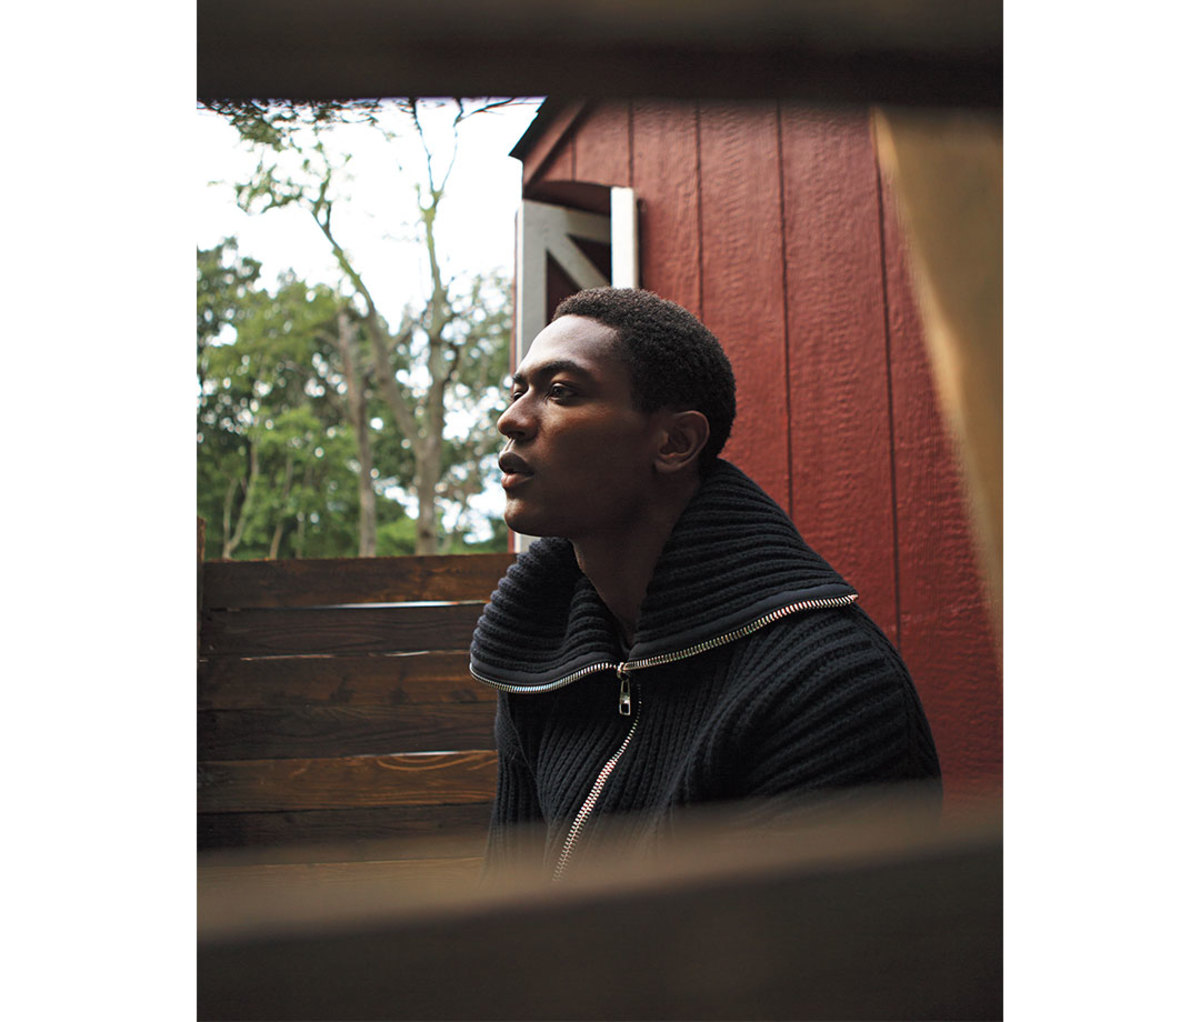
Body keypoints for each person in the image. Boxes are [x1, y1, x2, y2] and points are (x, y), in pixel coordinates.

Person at [470, 287, 940, 881]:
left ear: (674, 443)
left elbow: (792, 965)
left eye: (561, 392)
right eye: (519, 391)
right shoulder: (543, 653)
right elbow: (508, 912)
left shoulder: (828, 685)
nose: (510, 419)